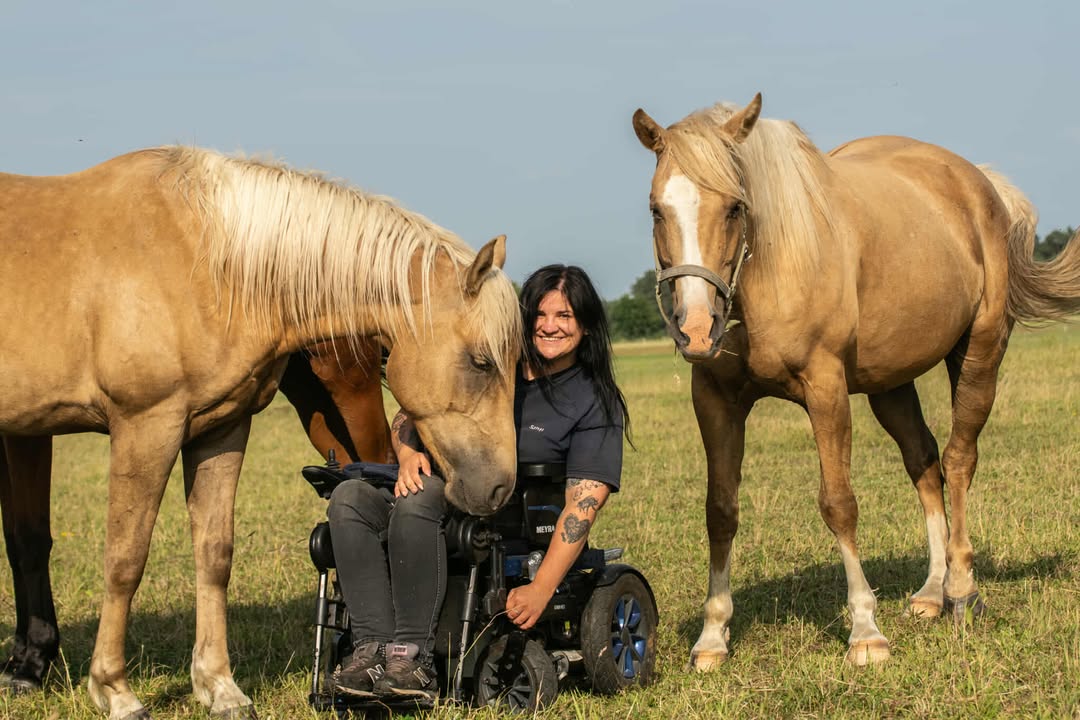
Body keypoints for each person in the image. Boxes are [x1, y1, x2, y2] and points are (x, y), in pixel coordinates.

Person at [326, 264, 631, 702]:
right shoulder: (490, 364)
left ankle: (412, 660)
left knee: (419, 501)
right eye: (540, 314)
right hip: (438, 495)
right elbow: (409, 413)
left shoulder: (592, 400)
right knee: (349, 498)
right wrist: (408, 452)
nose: (549, 326)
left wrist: (541, 587)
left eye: (564, 316)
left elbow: (584, 505)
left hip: (504, 519)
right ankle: (370, 651)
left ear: (585, 325)